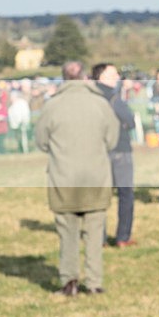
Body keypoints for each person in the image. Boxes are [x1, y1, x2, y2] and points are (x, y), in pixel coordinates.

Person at [35, 61, 120, 296]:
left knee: (67, 233)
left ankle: (69, 281)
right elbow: (112, 139)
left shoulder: (52, 106)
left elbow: (41, 141)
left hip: (63, 179)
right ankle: (94, 283)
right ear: (83, 77)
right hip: (95, 179)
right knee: (94, 233)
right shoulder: (100, 104)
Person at [93, 63, 137, 248]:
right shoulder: (113, 98)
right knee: (125, 194)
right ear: (101, 77)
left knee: (100, 197)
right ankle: (122, 237)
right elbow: (130, 120)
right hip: (120, 151)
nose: (117, 76)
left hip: (98, 152)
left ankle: (98, 237)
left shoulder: (91, 98)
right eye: (113, 74)